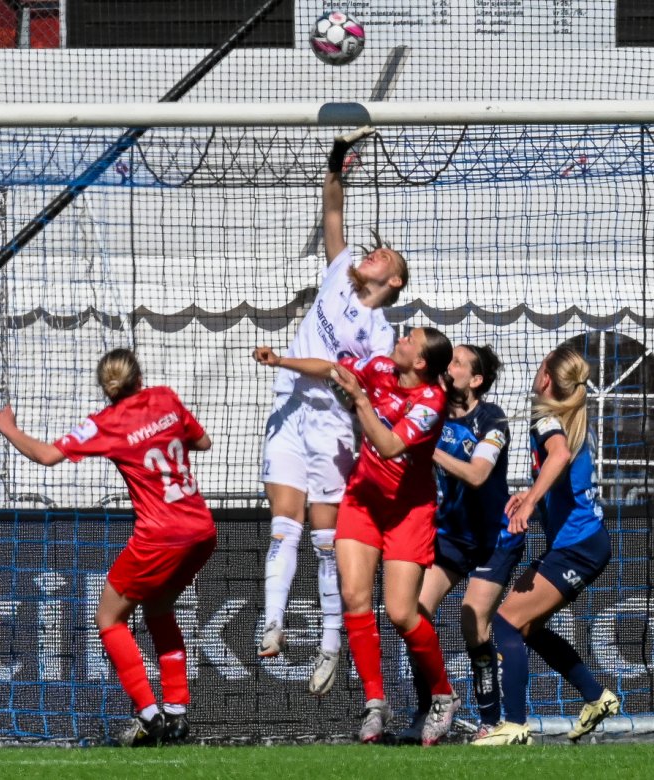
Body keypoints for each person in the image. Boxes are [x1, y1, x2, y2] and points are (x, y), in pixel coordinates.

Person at [0, 348, 215, 747]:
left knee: (108, 618)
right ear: (139, 378)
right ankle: (177, 712)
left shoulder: (106, 423)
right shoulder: (165, 397)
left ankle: (149, 715)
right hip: (200, 530)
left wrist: (8, 427)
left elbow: (47, 456)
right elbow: (203, 442)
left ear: (106, 387)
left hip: (160, 536)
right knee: (159, 608)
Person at [254, 326, 458, 745]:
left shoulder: (430, 401)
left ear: (421, 362)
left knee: (401, 613)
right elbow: (333, 369)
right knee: (354, 597)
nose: (400, 340)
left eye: (409, 340)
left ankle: (443, 695)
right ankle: (374, 703)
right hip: (363, 501)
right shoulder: (380, 366)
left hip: (408, 512)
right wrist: (281, 361)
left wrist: (360, 401)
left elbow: (390, 445)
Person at [258, 125, 406, 698]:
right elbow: (333, 210)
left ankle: (328, 642)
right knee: (283, 527)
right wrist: (338, 158)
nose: (372, 253)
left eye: (383, 255)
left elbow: (337, 374)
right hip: (289, 408)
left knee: (326, 538)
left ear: (393, 280)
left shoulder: (380, 334)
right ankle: (272, 624)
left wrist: (284, 359)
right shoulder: (338, 270)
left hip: (331, 426)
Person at [472, 346, 619, 746]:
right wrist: (531, 495)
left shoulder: (547, 419)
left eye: (540, 366)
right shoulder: (571, 418)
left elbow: (559, 455)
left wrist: (530, 501)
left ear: (546, 378)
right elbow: (564, 474)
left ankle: (515, 725)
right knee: (528, 627)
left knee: (505, 623)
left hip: (579, 547)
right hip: (585, 544)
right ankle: (595, 696)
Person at [397, 344, 523, 743]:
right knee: (414, 614)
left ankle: (490, 721)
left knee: (473, 621)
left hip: (495, 538)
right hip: (450, 536)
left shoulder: (492, 418)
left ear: (476, 379)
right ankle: (432, 706)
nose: (448, 367)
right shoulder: (430, 412)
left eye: (457, 363)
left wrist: (428, 448)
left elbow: (477, 474)